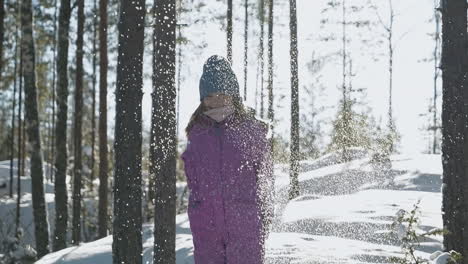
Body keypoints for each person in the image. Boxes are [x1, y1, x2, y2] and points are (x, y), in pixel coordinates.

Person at [181, 55, 275, 264]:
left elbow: (266, 176)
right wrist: (198, 210)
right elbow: (193, 180)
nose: (216, 99)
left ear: (233, 94)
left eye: (222, 92)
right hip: (207, 224)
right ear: (202, 98)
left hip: (245, 222)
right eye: (210, 94)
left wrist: (264, 214)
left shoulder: (250, 129)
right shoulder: (197, 133)